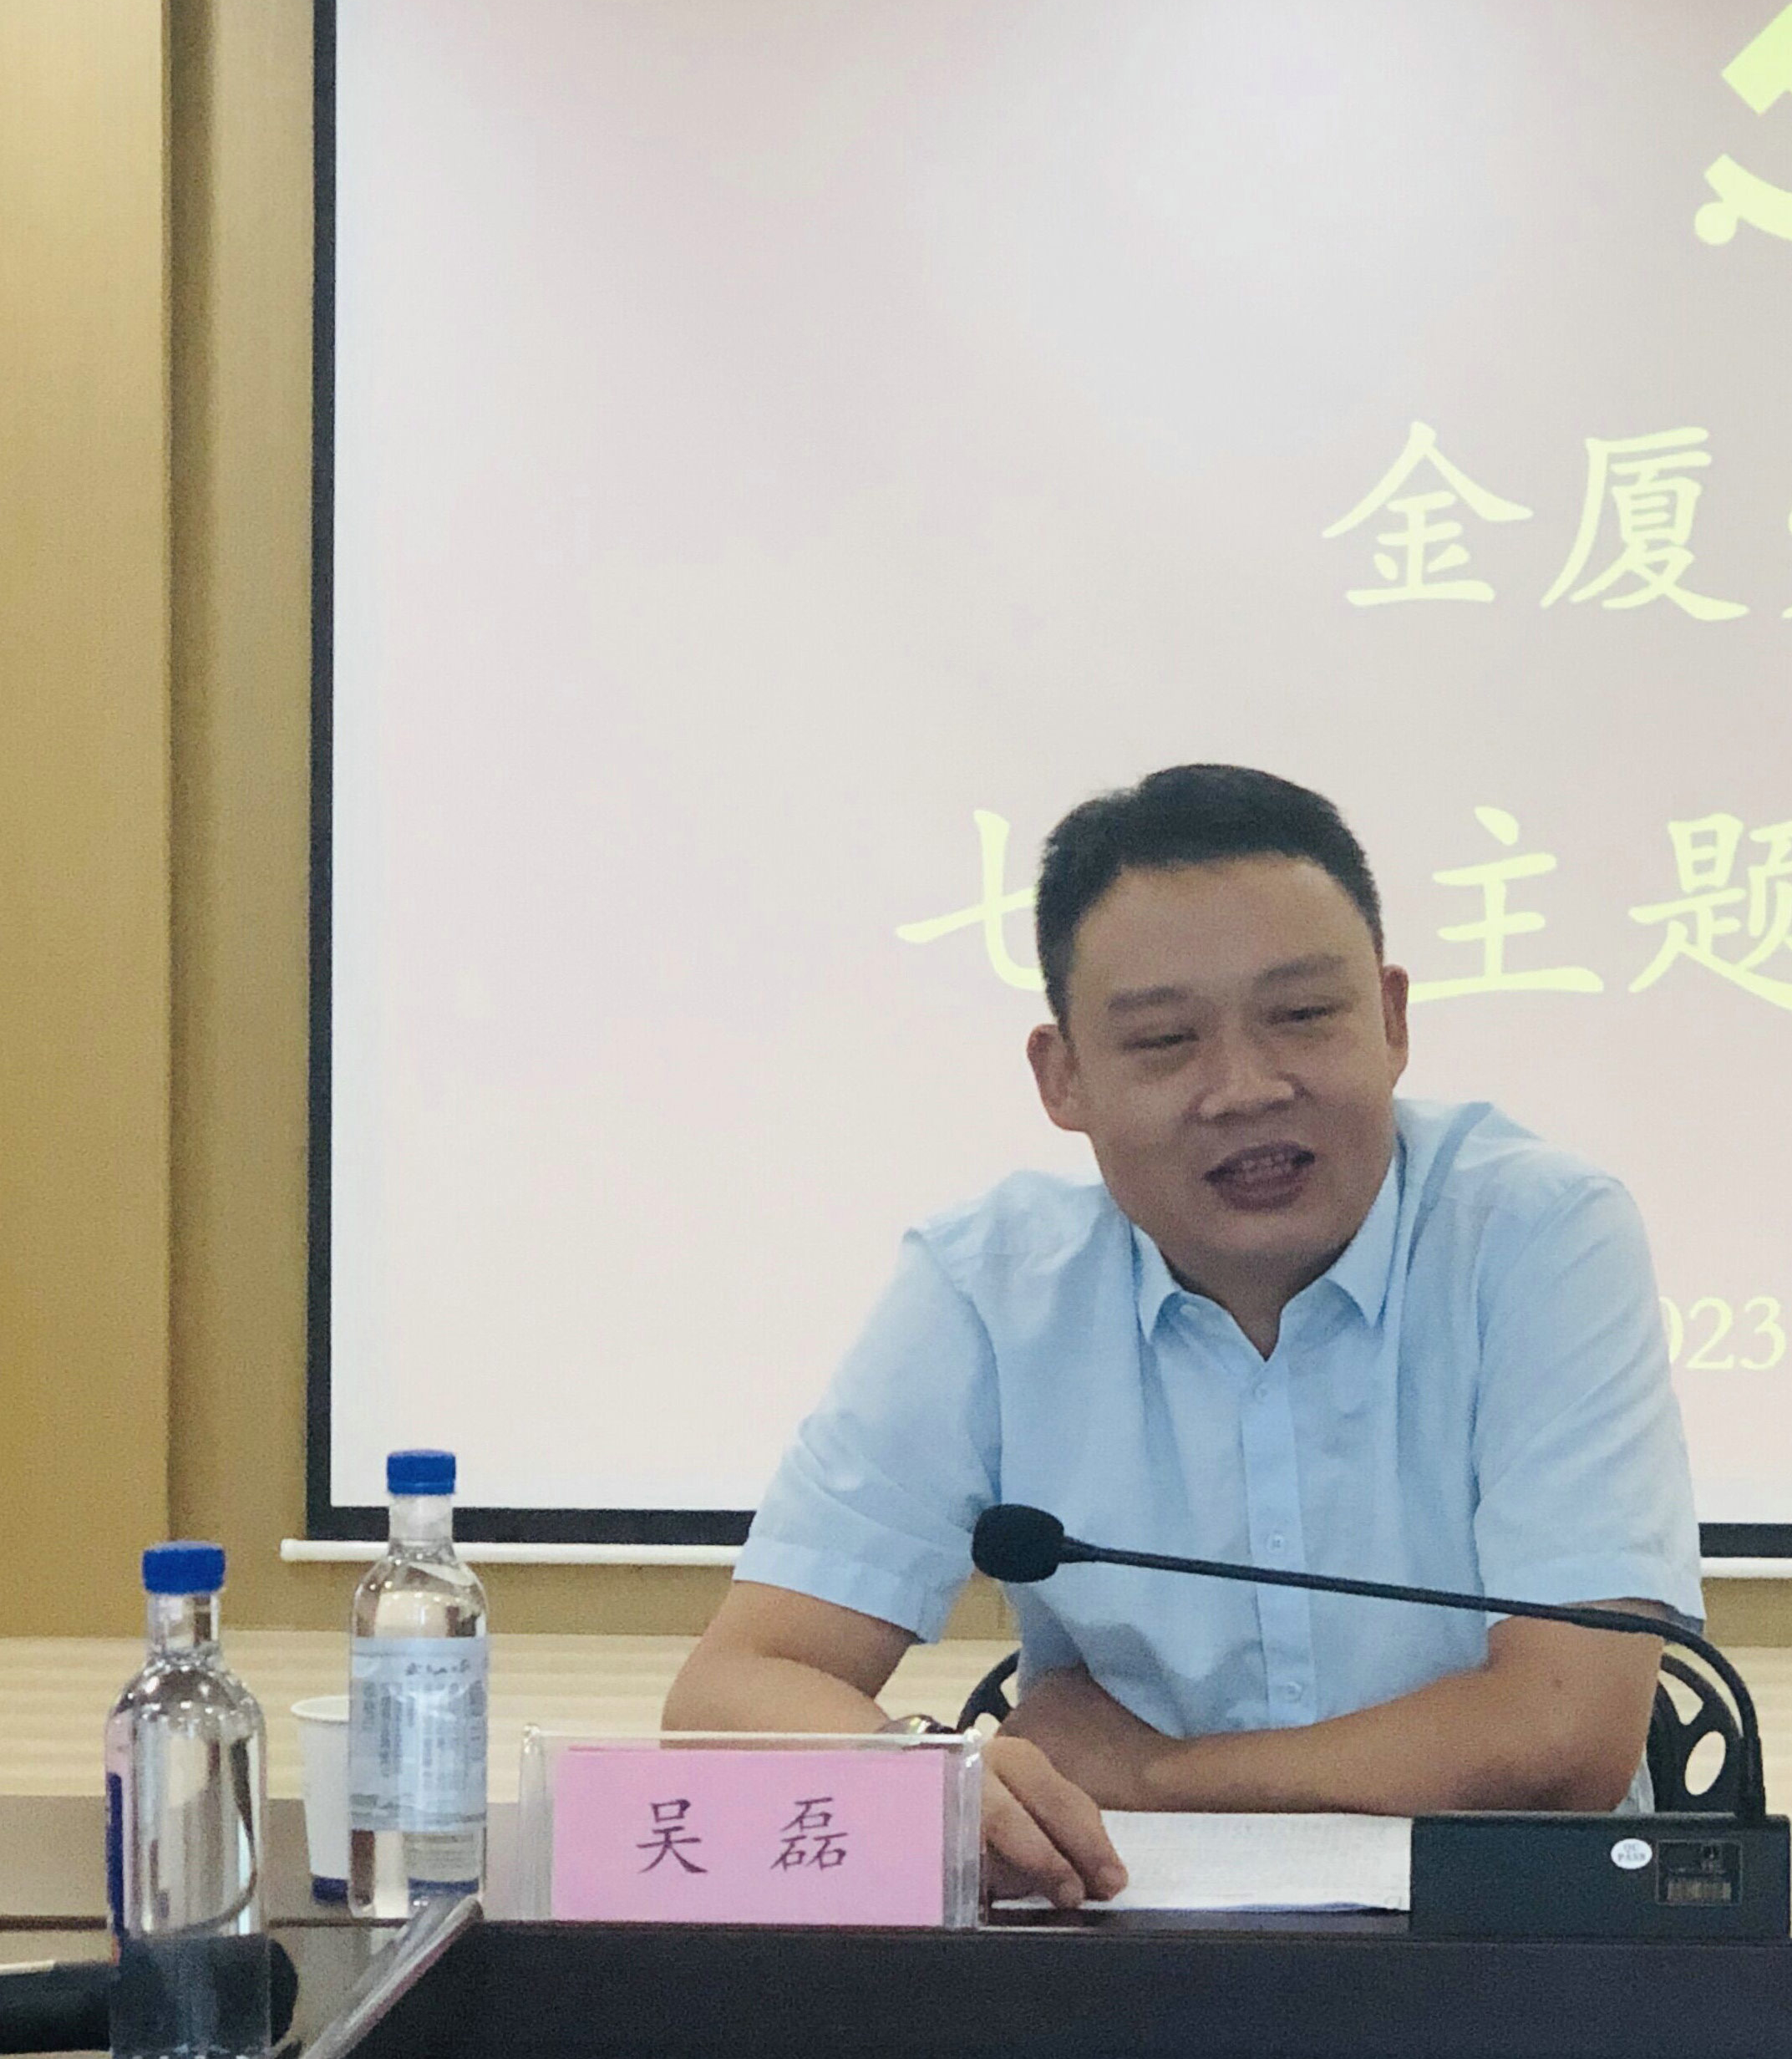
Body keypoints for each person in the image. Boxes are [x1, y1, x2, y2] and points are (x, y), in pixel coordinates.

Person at [664, 765, 1703, 1906]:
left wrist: (1156, 1773)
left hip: (1514, 1949)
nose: (1245, 1089)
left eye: (1302, 1017)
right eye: (1165, 1040)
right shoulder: (990, 1288)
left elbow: (1561, 1735)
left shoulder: (1535, 1234)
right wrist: (932, 1774)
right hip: (1126, 1954)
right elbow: (732, 1689)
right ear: (1063, 1078)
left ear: (1393, 1020)